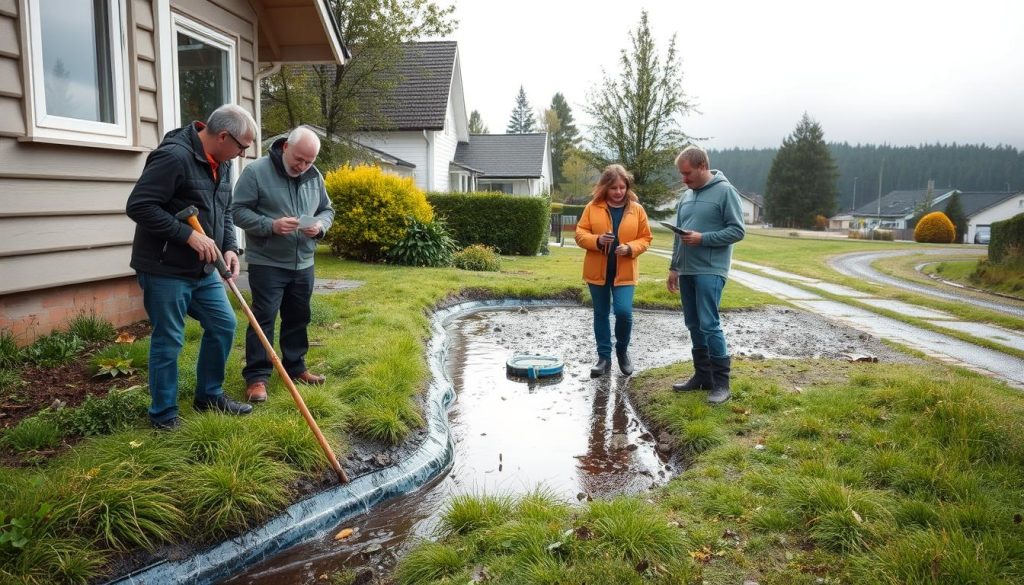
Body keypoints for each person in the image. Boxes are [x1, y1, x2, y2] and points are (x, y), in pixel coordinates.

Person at [126, 104, 257, 429]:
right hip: (164, 266)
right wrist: (187, 235)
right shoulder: (174, 156)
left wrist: (229, 247)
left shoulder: (222, 163)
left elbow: (224, 210)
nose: (242, 155)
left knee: (224, 323)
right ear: (224, 136)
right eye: (242, 147)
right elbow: (139, 205)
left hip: (203, 268)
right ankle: (163, 416)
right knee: (169, 338)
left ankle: (209, 395)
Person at [232, 126, 335, 402]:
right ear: (285, 147)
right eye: (299, 159)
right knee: (263, 319)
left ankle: (295, 367)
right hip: (268, 262)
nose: (302, 166)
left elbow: (327, 209)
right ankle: (256, 377)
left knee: (298, 316)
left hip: (304, 262)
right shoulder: (256, 172)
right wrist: (271, 225)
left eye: (309, 161)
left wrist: (320, 227)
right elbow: (238, 211)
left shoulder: (315, 176)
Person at [666, 146, 745, 404]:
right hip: (687, 270)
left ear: (702, 166)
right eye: (681, 174)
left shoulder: (726, 192)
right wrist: (674, 267)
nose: (684, 179)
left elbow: (737, 231)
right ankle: (703, 377)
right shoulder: (686, 197)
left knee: (709, 324)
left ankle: (722, 384)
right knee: (693, 323)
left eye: (687, 173)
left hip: (711, 270)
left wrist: (703, 239)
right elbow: (679, 236)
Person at [575, 164, 653, 377]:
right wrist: (598, 240)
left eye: (622, 187)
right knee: (600, 313)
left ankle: (622, 351)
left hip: (625, 273)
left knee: (623, 313)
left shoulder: (637, 209)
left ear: (627, 187)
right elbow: (580, 234)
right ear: (605, 188)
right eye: (614, 188)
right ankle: (603, 358)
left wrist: (630, 248)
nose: (619, 192)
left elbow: (646, 238)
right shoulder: (592, 207)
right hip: (597, 272)